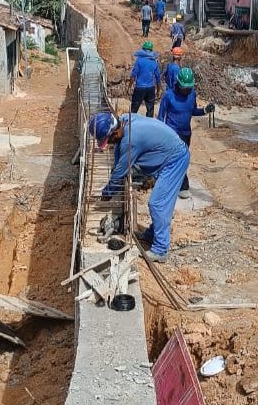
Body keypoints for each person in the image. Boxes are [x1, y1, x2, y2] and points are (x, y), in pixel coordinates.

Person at [89, 112, 189, 263]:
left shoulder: (131, 140)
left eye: (109, 140)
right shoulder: (124, 120)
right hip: (168, 153)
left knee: (158, 203)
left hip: (175, 159)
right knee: (158, 202)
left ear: (115, 132)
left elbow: (119, 174)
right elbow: (118, 154)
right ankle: (152, 234)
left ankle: (161, 250)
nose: (110, 143)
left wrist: (106, 193)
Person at [158, 67, 214, 199]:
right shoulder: (169, 96)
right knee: (175, 159)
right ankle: (182, 185)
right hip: (171, 133)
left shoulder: (192, 94)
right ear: (178, 84)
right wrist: (161, 135)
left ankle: (175, 184)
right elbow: (161, 117)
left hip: (186, 133)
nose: (187, 90)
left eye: (189, 88)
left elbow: (192, 111)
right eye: (185, 88)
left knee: (181, 159)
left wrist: (205, 110)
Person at [130, 41, 161, 117]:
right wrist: (159, 90)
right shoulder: (154, 62)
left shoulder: (139, 60)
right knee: (150, 110)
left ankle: (131, 125)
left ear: (143, 49)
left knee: (134, 109)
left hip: (140, 88)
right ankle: (149, 126)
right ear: (151, 50)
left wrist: (129, 86)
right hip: (150, 88)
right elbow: (158, 77)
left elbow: (133, 75)